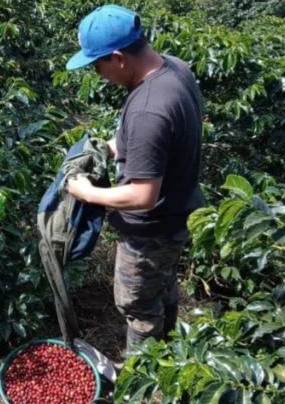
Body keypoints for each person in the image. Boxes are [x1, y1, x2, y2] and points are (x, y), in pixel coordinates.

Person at [64, 5, 205, 351]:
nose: (97, 72)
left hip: (150, 232)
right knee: (163, 289)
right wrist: (114, 148)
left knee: (138, 307)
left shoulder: (148, 110)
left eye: (98, 64)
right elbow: (168, 135)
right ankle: (173, 357)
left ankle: (142, 381)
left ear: (119, 57)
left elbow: (142, 196)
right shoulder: (176, 70)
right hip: (179, 214)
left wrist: (87, 193)